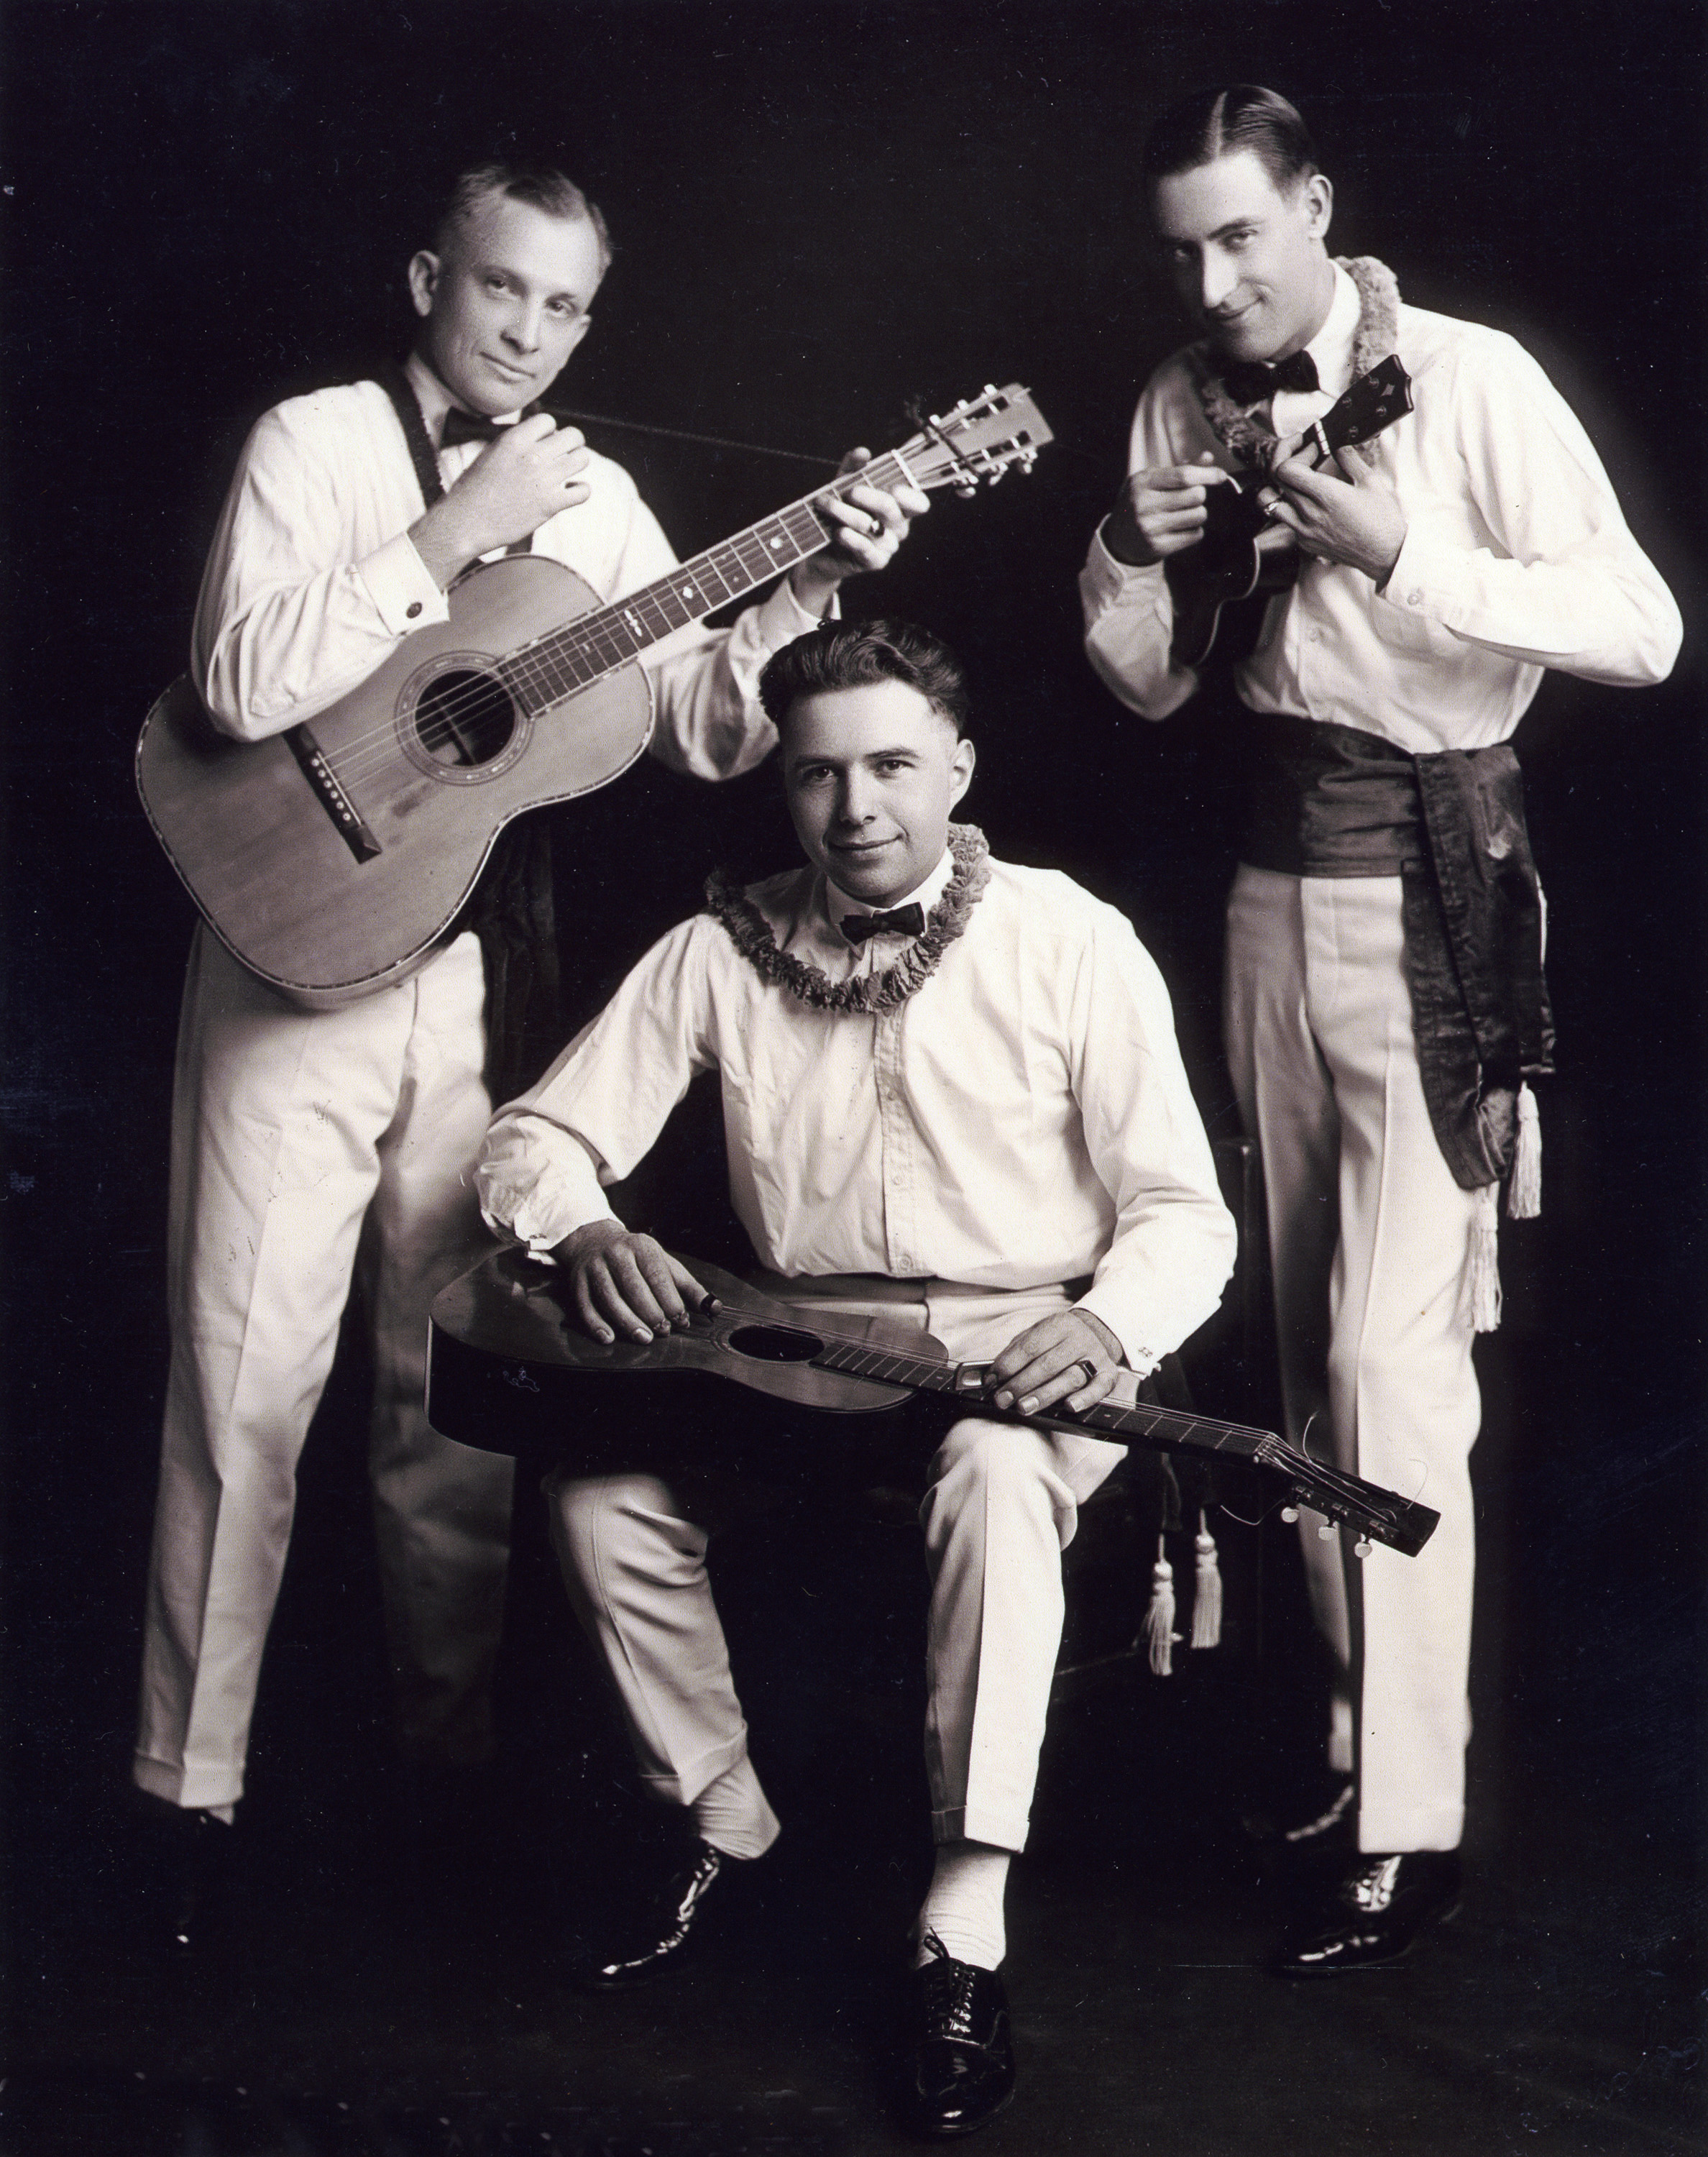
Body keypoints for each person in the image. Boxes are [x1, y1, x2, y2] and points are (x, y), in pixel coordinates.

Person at [134, 160, 927, 1928]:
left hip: (465, 965)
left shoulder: (603, 500)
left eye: (567, 307)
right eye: (505, 290)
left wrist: (806, 582)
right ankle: (185, 1797)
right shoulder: (315, 440)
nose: (533, 332)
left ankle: (446, 1764)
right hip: (289, 950)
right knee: (244, 1380)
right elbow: (233, 692)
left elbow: (707, 728)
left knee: (449, 1391)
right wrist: (444, 532)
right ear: (431, 275)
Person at [474, 618, 1236, 2135]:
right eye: (819, 776)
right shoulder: (720, 946)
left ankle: (963, 1926)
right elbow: (529, 1142)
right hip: (797, 1351)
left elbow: (1183, 1212)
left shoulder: (1067, 936)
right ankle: (723, 1811)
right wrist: (585, 1224)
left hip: (1019, 1342)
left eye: (893, 764)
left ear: (959, 763)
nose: (858, 809)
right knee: (598, 1493)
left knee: (1003, 1479)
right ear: (783, 787)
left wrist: (1103, 1330)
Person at [1079, 85, 1681, 1973]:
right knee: (1291, 1358)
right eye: (1184, 246)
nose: (1215, 277)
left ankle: (1414, 1823)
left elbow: (1641, 629)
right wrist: (1128, 539)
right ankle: (1355, 1746)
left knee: (1395, 1369)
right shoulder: (1178, 398)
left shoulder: (1474, 377)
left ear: (1317, 208)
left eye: (1243, 236)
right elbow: (1156, 691)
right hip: (1267, 892)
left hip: (1434, 893)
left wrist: (1407, 550)